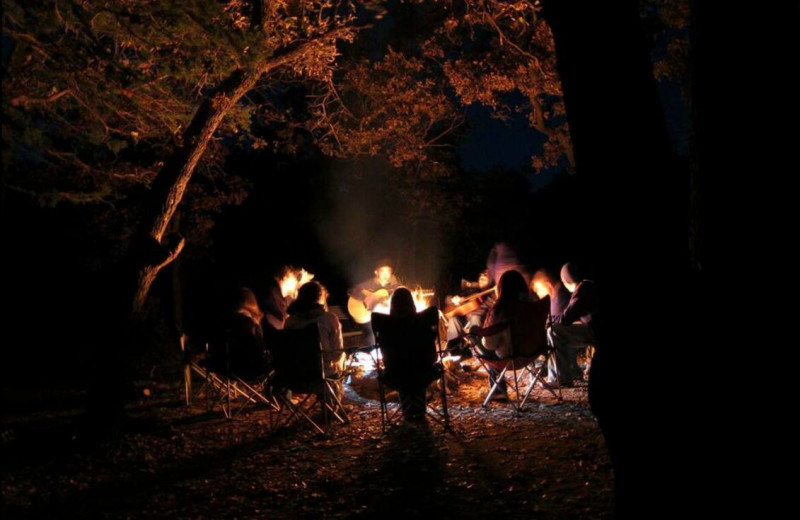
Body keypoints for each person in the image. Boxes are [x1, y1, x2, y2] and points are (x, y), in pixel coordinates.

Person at [377, 287, 439, 422]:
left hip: (396, 374)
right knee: (417, 376)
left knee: (404, 378)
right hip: (424, 373)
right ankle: (419, 411)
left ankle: (408, 412)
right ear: (412, 303)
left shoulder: (384, 323)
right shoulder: (425, 319)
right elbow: (433, 351)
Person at [476, 270, 534, 400]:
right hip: (532, 352)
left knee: (476, 338)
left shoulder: (500, 309)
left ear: (501, 288)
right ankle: (498, 390)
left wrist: (478, 333)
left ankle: (498, 390)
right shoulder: (534, 305)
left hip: (510, 356)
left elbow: (490, 345)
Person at [285, 281, 346, 400]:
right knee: (336, 366)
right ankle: (331, 407)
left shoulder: (290, 322)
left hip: (293, 378)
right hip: (320, 378)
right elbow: (337, 354)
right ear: (320, 298)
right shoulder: (329, 319)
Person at [545, 262, 597, 386]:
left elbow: (566, 318)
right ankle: (569, 373)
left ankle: (560, 378)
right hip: (595, 328)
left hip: (594, 332)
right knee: (562, 329)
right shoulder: (591, 286)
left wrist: (549, 319)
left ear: (567, 281)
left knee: (554, 330)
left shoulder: (582, 289)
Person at [212, 287, 271, 380]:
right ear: (252, 302)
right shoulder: (253, 324)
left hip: (224, 367)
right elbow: (258, 350)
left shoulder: (224, 322)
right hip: (251, 369)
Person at [347, 258, 403, 345]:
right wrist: (366, 297)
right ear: (376, 272)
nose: (386, 274)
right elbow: (351, 290)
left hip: (388, 319)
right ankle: (372, 352)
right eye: (383, 271)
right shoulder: (370, 284)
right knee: (371, 333)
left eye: (388, 271)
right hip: (371, 318)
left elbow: (404, 294)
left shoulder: (395, 286)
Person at [444, 269, 496, 354]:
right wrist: (453, 299)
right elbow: (447, 299)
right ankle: (453, 353)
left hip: (482, 321)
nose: (482, 276)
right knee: (454, 320)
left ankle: (480, 354)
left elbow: (495, 307)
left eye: (486, 275)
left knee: (476, 318)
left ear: (491, 280)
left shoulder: (492, 294)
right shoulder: (472, 291)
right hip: (466, 320)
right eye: (481, 275)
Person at [261, 265, 314, 331]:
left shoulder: (281, 298)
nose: (296, 283)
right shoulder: (273, 297)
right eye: (294, 278)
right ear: (285, 277)